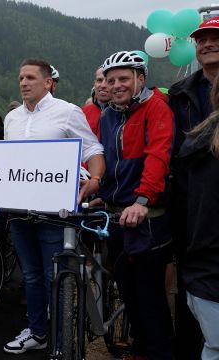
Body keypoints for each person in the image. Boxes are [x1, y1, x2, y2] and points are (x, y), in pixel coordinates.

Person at [2, 58, 105, 355]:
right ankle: (37, 331)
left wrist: (95, 177)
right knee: (32, 276)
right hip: (19, 210)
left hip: (54, 213)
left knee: (53, 277)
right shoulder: (12, 119)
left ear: (48, 82)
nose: (23, 82)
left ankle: (61, 342)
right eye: (21, 77)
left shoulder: (67, 112)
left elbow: (93, 148)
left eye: (31, 77)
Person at [98, 51, 174, 359]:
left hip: (147, 217)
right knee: (128, 293)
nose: (116, 85)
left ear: (140, 79)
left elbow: (158, 155)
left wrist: (143, 199)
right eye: (111, 79)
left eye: (124, 79)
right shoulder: (109, 115)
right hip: (117, 216)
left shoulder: (156, 108)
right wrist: (103, 189)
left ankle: (160, 353)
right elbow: (112, 161)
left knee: (150, 297)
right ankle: (142, 349)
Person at [169, 17, 219, 359]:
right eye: (201, 40)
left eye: (215, 38)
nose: (206, 44)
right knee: (193, 294)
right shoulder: (181, 92)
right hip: (192, 208)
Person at [82, 66, 111, 137]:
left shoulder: (125, 113)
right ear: (94, 83)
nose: (103, 85)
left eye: (108, 81)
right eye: (99, 80)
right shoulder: (81, 113)